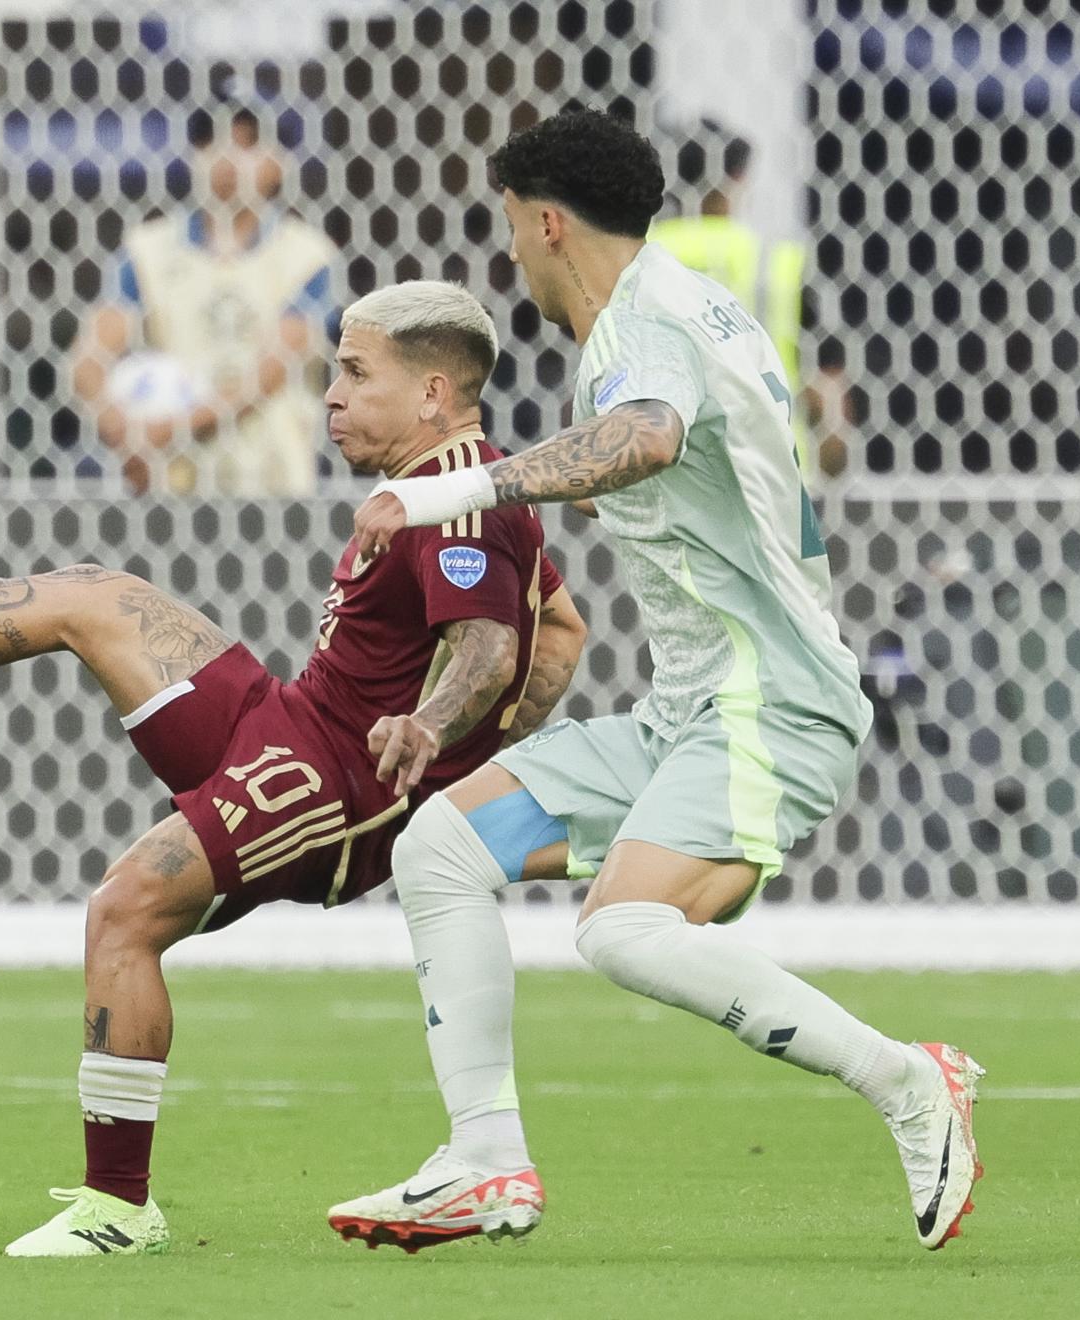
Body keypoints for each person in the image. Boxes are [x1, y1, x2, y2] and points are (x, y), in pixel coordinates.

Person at [0, 281, 590, 1256]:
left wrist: (429, 737)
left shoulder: (457, 499)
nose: (329, 393)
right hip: (295, 722)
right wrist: (476, 742)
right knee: (93, 597)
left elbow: (491, 648)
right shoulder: (463, 482)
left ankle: (118, 1210)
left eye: (353, 372)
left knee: (124, 909)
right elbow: (560, 631)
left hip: (334, 783)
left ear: (430, 394)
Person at [333, 110, 984, 1253]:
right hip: (691, 710)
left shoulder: (646, 323)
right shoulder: (677, 312)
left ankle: (911, 1082)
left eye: (509, 230)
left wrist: (445, 494)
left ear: (545, 222)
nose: (510, 256)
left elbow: (643, 437)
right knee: (438, 843)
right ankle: (483, 1162)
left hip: (769, 702)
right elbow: (678, 469)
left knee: (624, 929)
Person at [69, 103, 337, 496]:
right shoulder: (148, 250)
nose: (227, 157)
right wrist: (126, 433)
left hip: (272, 484)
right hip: (173, 486)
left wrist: (168, 429)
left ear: (279, 163)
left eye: (248, 143)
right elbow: (89, 360)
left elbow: (268, 374)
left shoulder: (307, 256)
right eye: (213, 141)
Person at [650, 128, 855, 476]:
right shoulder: (773, 260)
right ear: (737, 179)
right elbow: (826, 389)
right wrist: (833, 471)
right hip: (771, 477)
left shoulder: (641, 258)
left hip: (670, 481)